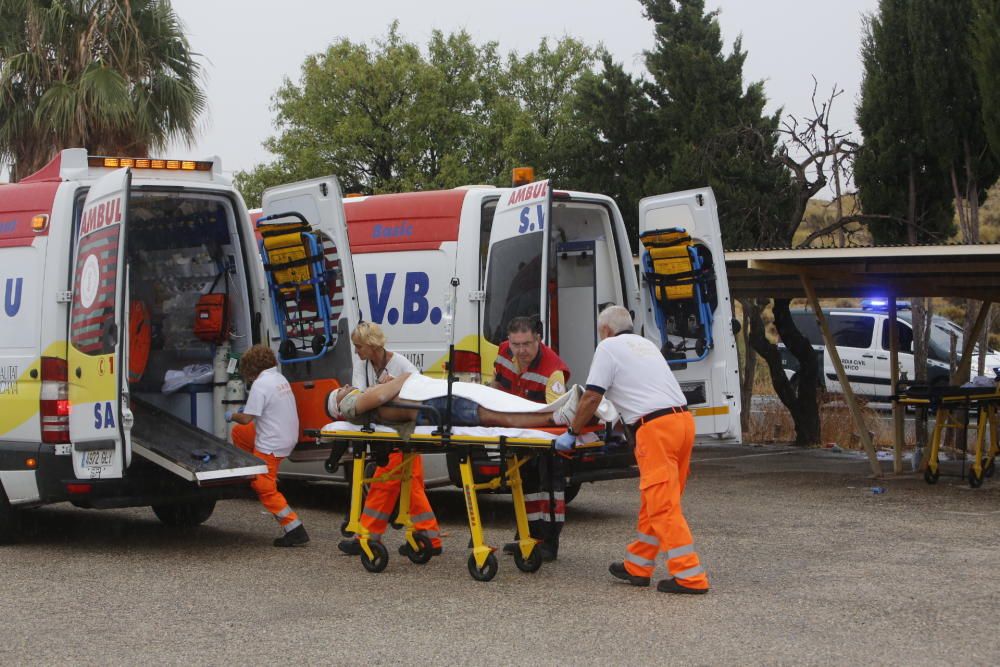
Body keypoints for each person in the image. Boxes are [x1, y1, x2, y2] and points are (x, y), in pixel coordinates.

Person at [556, 305, 709, 595]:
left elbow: (591, 397)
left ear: (604, 330)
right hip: (682, 423)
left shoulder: (608, 347)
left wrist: (572, 432)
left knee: (663, 505)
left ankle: (690, 576)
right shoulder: (646, 346)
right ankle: (638, 566)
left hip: (655, 430)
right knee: (656, 500)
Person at [339, 322, 441, 559]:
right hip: (383, 429)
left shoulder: (402, 364)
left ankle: (367, 537)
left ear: (372, 346)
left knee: (385, 481)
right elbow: (359, 394)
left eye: (359, 347)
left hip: (401, 429)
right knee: (411, 483)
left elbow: (416, 391)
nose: (356, 352)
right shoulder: (362, 364)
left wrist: (386, 389)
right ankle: (430, 537)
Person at [491, 316, 570, 561]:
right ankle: (527, 537)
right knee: (524, 487)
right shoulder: (504, 352)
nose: (522, 350)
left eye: (527, 344)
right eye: (516, 345)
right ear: (508, 342)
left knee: (549, 492)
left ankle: (548, 542)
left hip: (545, 439)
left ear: (538, 339)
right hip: (518, 434)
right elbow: (497, 381)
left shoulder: (552, 370)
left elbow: (556, 412)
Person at [227, 344, 309, 547]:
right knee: (239, 434)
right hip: (286, 435)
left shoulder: (260, 385)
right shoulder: (279, 378)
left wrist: (232, 415)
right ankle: (253, 470)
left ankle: (294, 529)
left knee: (263, 487)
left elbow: (246, 419)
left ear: (252, 370)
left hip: (272, 442)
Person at [327, 372, 578, 430]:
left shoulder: (363, 401)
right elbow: (384, 394)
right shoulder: (353, 407)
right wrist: (399, 378)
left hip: (429, 400)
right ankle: (552, 416)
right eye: (341, 391)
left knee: (495, 404)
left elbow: (386, 394)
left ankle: (551, 412)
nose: (347, 387)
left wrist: (390, 382)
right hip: (431, 404)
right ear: (340, 406)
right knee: (493, 413)